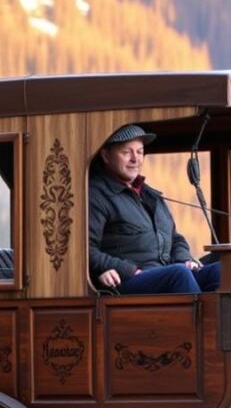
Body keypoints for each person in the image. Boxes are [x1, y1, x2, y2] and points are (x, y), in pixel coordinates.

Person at [88, 124, 220, 294]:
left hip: (165, 273)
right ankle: (203, 320)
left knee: (221, 271)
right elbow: (86, 250)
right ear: (106, 156)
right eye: (126, 152)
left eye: (140, 152)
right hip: (129, 279)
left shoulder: (151, 195)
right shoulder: (97, 194)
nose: (135, 159)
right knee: (179, 274)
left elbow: (176, 238)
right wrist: (127, 269)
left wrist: (184, 258)